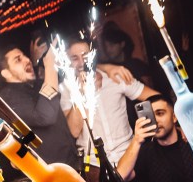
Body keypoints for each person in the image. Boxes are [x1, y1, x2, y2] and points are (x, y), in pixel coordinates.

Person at [64, 36, 160, 169]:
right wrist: (83, 93)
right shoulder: (65, 89)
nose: (81, 62)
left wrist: (175, 122)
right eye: (75, 58)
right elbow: (74, 131)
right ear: (67, 61)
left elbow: (155, 97)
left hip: (131, 156)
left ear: (92, 55)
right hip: (95, 165)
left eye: (85, 56)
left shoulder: (114, 76)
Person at [0, 37, 79, 167]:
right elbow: (46, 116)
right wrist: (50, 66)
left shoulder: (36, 85)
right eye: (18, 60)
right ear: (6, 73)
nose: (26, 59)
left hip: (72, 163)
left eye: (24, 56)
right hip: (52, 174)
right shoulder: (7, 99)